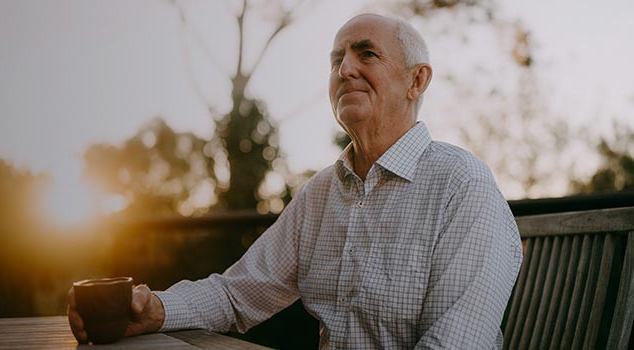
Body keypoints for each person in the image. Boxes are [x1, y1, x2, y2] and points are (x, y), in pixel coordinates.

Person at [68, 13, 523, 349]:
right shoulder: (322, 193)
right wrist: (152, 312)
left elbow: (456, 343)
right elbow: (237, 294)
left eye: (366, 53)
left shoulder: (462, 185)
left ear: (416, 80)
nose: (345, 69)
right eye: (336, 60)